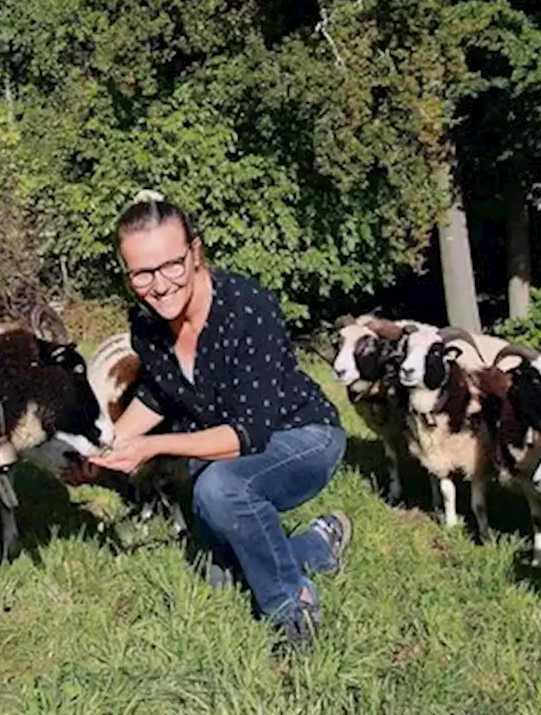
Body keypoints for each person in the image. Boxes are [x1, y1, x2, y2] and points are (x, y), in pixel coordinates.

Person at [66, 190, 351, 649]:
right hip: (222, 456)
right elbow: (159, 396)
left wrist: (153, 447)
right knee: (219, 574)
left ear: (195, 253)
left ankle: (291, 609)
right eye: (141, 273)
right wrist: (100, 453)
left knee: (221, 490)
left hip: (303, 437)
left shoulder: (248, 308)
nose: (159, 285)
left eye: (171, 265)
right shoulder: (146, 323)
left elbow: (249, 434)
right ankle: (319, 545)